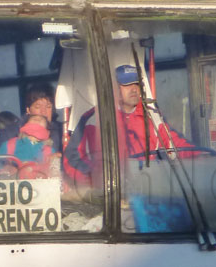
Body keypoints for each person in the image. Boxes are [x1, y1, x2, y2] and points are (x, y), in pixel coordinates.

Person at [64, 64, 195, 186]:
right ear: (114, 89)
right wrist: (94, 180)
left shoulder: (153, 117)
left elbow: (177, 146)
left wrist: (204, 155)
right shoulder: (93, 119)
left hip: (147, 191)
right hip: (109, 199)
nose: (134, 89)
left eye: (136, 84)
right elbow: (71, 159)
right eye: (127, 85)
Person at [0, 82, 63, 152]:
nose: (43, 112)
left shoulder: (62, 133)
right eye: (38, 107)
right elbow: (0, 158)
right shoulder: (10, 133)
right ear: (28, 110)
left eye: (48, 106)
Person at [0, 114, 58, 178]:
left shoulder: (49, 151)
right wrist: (7, 166)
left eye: (42, 119)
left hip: (39, 184)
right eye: (33, 117)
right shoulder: (11, 144)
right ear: (25, 124)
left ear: (48, 132)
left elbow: (53, 172)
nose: (37, 118)